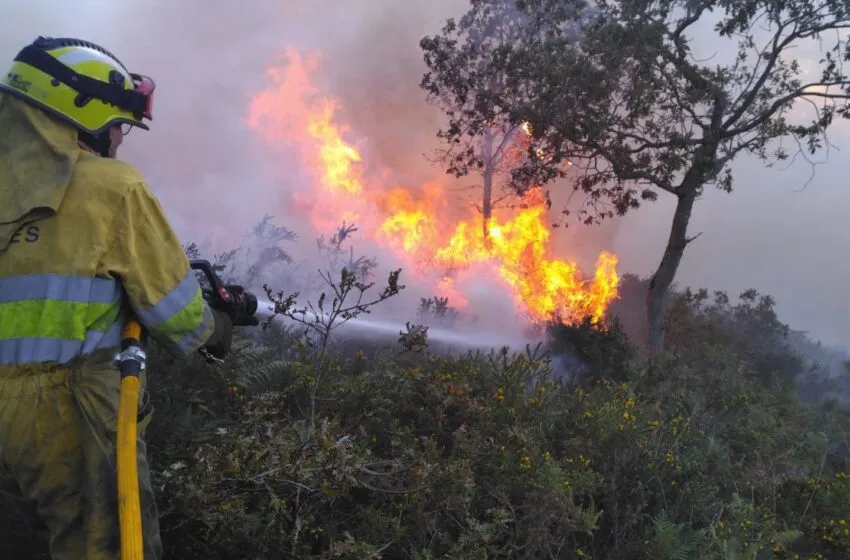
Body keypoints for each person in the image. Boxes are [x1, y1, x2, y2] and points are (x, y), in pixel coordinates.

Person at [0, 36, 235, 559]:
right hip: (70, 413)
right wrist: (221, 325)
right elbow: (180, 318)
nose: (120, 141)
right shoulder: (111, 188)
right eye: (117, 126)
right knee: (103, 544)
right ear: (77, 112)